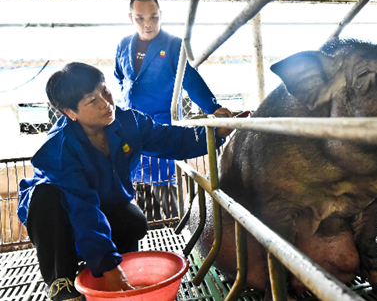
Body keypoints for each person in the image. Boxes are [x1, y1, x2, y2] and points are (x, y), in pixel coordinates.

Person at [17, 62, 229, 301]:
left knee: (134, 221)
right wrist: (108, 266)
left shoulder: (128, 122)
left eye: (104, 90)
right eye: (91, 101)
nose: (106, 103)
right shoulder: (60, 147)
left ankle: (109, 264)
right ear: (70, 112)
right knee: (47, 198)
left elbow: (169, 139)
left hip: (104, 201)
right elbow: (82, 209)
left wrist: (213, 133)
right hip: (60, 212)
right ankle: (61, 281)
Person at [114, 0, 231, 200]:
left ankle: (170, 220)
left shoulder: (173, 45)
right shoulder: (123, 44)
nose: (147, 24)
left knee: (164, 187)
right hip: (129, 127)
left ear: (161, 15)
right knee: (133, 186)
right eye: (140, 18)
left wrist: (213, 110)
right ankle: (141, 222)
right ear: (131, 18)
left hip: (160, 125)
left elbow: (191, 80)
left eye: (153, 17)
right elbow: (120, 77)